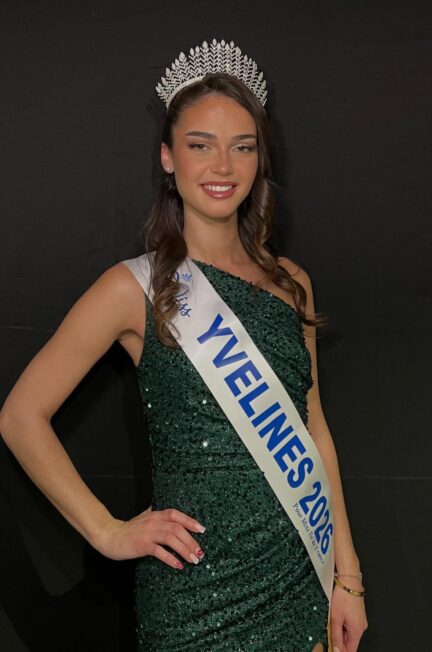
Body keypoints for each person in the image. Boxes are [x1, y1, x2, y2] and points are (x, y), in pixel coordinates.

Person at [0, 39, 368, 651]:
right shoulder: (132, 288)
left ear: (259, 159)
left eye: (242, 146)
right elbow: (20, 416)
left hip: (301, 575)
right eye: (201, 145)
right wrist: (107, 531)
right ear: (168, 157)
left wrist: (347, 578)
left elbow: (314, 432)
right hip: (193, 594)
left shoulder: (291, 284)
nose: (223, 166)